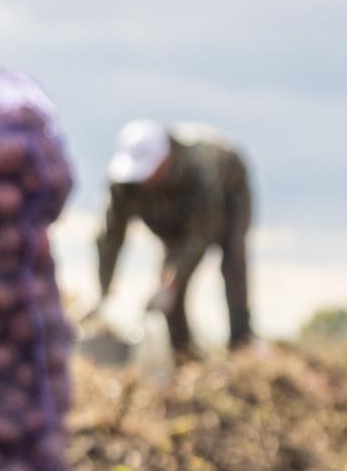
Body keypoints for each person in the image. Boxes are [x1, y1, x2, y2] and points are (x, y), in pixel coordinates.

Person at [94, 120, 254, 356]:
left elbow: (199, 234)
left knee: (232, 260)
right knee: (169, 288)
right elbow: (111, 237)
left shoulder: (200, 170)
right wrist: (103, 291)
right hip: (174, 216)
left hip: (227, 194)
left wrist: (172, 279)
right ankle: (183, 353)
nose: (144, 180)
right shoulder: (125, 183)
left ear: (165, 160)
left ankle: (241, 344)